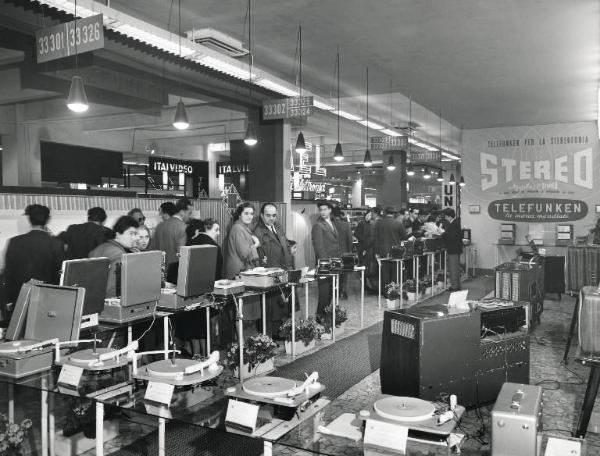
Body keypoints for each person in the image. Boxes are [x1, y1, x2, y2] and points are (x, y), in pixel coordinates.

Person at [175, 218, 224, 356]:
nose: (218, 233)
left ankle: (196, 356)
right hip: (207, 294)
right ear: (206, 229)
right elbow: (217, 273)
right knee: (207, 329)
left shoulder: (189, 243)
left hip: (189, 295)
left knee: (194, 330)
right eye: (216, 229)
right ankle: (207, 356)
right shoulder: (213, 247)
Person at [4, 204, 65, 304]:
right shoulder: (56, 244)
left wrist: (8, 301)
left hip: (19, 299)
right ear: (48, 220)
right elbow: (60, 275)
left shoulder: (14, 242)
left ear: (30, 220)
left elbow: (8, 274)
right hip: (46, 300)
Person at [253, 202, 294, 335]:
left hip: (283, 270)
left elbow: (285, 245)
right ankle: (267, 337)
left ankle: (277, 333)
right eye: (268, 215)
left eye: (274, 215)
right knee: (269, 307)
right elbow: (258, 255)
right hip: (269, 273)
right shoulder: (257, 231)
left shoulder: (278, 227)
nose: (271, 218)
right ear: (262, 215)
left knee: (281, 306)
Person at [89, 216, 139, 298]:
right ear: (117, 234)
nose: (135, 238)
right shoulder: (119, 255)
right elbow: (113, 290)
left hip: (91, 299)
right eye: (131, 234)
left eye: (135, 234)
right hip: (107, 304)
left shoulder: (100, 247)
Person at [311, 201, 341, 320]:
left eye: (325, 209)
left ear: (330, 210)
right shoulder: (318, 225)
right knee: (324, 294)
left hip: (333, 264)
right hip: (325, 266)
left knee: (330, 293)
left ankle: (326, 317)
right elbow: (319, 248)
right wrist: (325, 265)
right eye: (321, 210)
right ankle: (320, 318)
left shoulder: (331, 223)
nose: (322, 212)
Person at [152, 197, 192, 267]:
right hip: (176, 269)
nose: (190, 216)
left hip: (161, 267)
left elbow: (155, 248)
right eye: (189, 213)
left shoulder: (160, 226)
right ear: (182, 212)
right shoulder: (183, 227)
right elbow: (181, 253)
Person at [375, 207, 407, 291]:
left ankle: (385, 291)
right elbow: (404, 237)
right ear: (394, 214)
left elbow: (375, 237)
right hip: (396, 252)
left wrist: (377, 251)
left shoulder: (379, 223)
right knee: (395, 272)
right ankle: (394, 291)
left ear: (385, 213)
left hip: (383, 251)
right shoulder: (398, 223)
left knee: (384, 273)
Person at [224, 202, 260, 278]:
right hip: (238, 272)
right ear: (240, 215)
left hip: (240, 271)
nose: (249, 216)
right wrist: (256, 244)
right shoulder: (238, 228)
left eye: (251, 214)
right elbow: (244, 254)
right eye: (246, 213)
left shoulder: (242, 227)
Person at [332, 206, 353, 300]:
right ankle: (342, 291)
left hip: (332, 253)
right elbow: (350, 240)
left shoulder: (330, 225)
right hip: (344, 253)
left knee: (334, 273)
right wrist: (349, 252)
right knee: (344, 274)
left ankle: (334, 291)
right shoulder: (346, 225)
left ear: (332, 214)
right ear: (340, 215)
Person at [441, 208, 463, 291]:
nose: (445, 218)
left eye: (445, 216)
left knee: (453, 268)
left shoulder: (453, 224)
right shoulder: (455, 223)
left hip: (453, 249)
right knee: (456, 268)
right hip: (456, 249)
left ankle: (454, 286)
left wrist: (442, 233)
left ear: (449, 216)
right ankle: (457, 285)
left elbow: (451, 237)